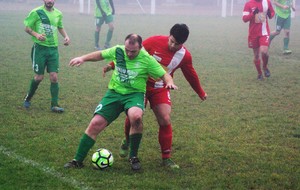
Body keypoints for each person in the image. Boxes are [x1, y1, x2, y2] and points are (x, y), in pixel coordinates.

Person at [64, 34, 178, 171]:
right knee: (95, 123)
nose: (129, 54)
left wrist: (170, 83)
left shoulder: (147, 59)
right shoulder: (118, 50)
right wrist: (82, 58)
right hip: (114, 94)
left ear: (140, 47)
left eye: (133, 51)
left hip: (135, 94)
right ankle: (77, 160)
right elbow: (100, 55)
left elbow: (164, 75)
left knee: (136, 117)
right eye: (127, 50)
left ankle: (133, 157)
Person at [103, 24, 207, 169]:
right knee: (134, 117)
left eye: (177, 44)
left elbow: (191, 74)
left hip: (161, 88)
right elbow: (131, 54)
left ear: (182, 44)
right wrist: (112, 64)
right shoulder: (154, 41)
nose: (172, 45)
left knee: (165, 118)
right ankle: (127, 141)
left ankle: (166, 158)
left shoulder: (185, 56)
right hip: (140, 86)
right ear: (169, 35)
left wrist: (200, 92)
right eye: (171, 41)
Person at [23, 0, 70, 112]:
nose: (49, 1)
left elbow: (60, 26)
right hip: (40, 49)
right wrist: (37, 35)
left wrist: (66, 36)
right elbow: (27, 28)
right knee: (39, 77)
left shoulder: (58, 13)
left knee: (54, 77)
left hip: (53, 49)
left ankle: (54, 105)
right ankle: (28, 98)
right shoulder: (36, 12)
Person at [242, 0, 275, 80]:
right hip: (253, 33)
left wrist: (270, 14)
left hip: (264, 32)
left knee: (264, 51)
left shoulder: (267, 2)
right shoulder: (248, 4)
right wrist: (253, 14)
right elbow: (244, 19)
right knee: (256, 55)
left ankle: (265, 67)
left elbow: (272, 13)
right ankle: (259, 74)